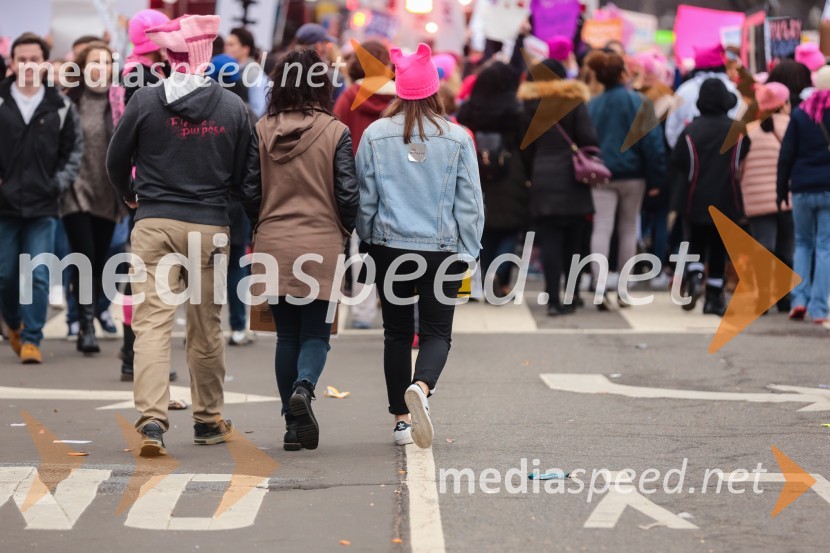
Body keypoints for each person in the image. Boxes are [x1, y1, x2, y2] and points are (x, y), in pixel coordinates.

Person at [106, 14, 260, 456]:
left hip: (153, 221)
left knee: (152, 324)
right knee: (205, 326)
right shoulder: (234, 108)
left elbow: (116, 159)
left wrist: (130, 194)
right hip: (209, 226)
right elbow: (248, 178)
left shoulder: (146, 101)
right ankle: (208, 420)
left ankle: (152, 418)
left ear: (167, 57)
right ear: (206, 56)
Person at [357, 43, 484, 449]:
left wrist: (366, 241)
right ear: (435, 90)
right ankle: (423, 387)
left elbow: (366, 199)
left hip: (389, 246)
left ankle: (400, 420)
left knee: (396, 332)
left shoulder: (375, 135)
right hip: (441, 249)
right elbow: (470, 203)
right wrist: (469, 250)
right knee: (436, 333)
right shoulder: (457, 138)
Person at [250, 49, 358, 451]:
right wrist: (343, 229)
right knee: (317, 333)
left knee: (285, 336)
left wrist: (261, 223)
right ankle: (305, 388)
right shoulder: (336, 131)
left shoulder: (261, 129)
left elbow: (249, 189)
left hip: (273, 241)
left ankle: (292, 427)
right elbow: (347, 193)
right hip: (322, 241)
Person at [0, 33, 83, 364]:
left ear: (45, 63)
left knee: (36, 272)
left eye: (35, 59)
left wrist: (58, 182)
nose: (28, 65)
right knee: (5, 273)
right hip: (4, 205)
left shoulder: (61, 106)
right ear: (11, 63)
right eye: (22, 59)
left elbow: (73, 151)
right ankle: (14, 324)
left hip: (44, 203)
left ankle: (33, 337)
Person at [516, 58, 597, 314]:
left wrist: (534, 169)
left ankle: (552, 300)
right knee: (573, 241)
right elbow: (589, 139)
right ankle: (571, 295)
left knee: (549, 241)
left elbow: (524, 148)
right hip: (572, 178)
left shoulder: (528, 105)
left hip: (542, 177)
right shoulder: (574, 102)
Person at [586, 51, 666, 309]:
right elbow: (653, 144)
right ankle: (624, 288)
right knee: (628, 228)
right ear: (623, 74)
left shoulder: (592, 105)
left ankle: (598, 287)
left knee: (602, 227)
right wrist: (656, 178)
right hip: (634, 174)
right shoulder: (639, 102)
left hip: (601, 173)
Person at [62, 41, 125, 354]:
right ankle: (85, 324)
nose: (101, 67)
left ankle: (92, 312)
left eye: (106, 62)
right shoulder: (69, 101)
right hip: (76, 190)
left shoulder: (120, 101)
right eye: (94, 62)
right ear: (82, 68)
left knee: (100, 259)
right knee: (83, 256)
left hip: (108, 192)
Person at [671, 78, 750, 316]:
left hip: (694, 196)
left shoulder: (690, 130)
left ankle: (695, 275)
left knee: (695, 239)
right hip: (728, 195)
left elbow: (677, 161)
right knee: (718, 246)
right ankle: (714, 298)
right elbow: (744, 154)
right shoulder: (737, 131)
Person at [333, 40, 395, 330]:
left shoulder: (349, 97)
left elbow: (335, 138)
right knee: (396, 243)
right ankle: (396, 302)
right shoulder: (400, 97)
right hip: (396, 180)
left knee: (359, 248)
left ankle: (363, 312)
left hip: (357, 182)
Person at [456, 61, 529, 298]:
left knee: (483, 227)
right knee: (510, 228)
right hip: (511, 171)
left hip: (476, 169)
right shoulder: (516, 110)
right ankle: (501, 276)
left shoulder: (468, 110)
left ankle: (486, 271)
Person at [777, 66, 830, 325]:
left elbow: (786, 154)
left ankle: (798, 299)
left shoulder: (800, 113)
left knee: (802, 244)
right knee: (825, 247)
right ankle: (819, 308)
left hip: (801, 187)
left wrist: (780, 188)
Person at [741, 83, 793, 314]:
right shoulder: (792, 127)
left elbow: (738, 168)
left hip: (756, 199)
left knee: (763, 248)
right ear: (783, 105)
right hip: (787, 198)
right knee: (786, 249)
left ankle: (763, 298)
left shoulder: (748, 131)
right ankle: (785, 299)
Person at [666, 44, 744, 149]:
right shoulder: (733, 91)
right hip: (724, 159)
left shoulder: (683, 90)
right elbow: (740, 126)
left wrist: (682, 152)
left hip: (689, 156)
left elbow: (671, 129)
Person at [224, 27, 268, 117]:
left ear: (245, 49)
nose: (226, 48)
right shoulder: (228, 69)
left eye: (231, 45)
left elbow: (257, 112)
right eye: (226, 44)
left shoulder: (256, 75)